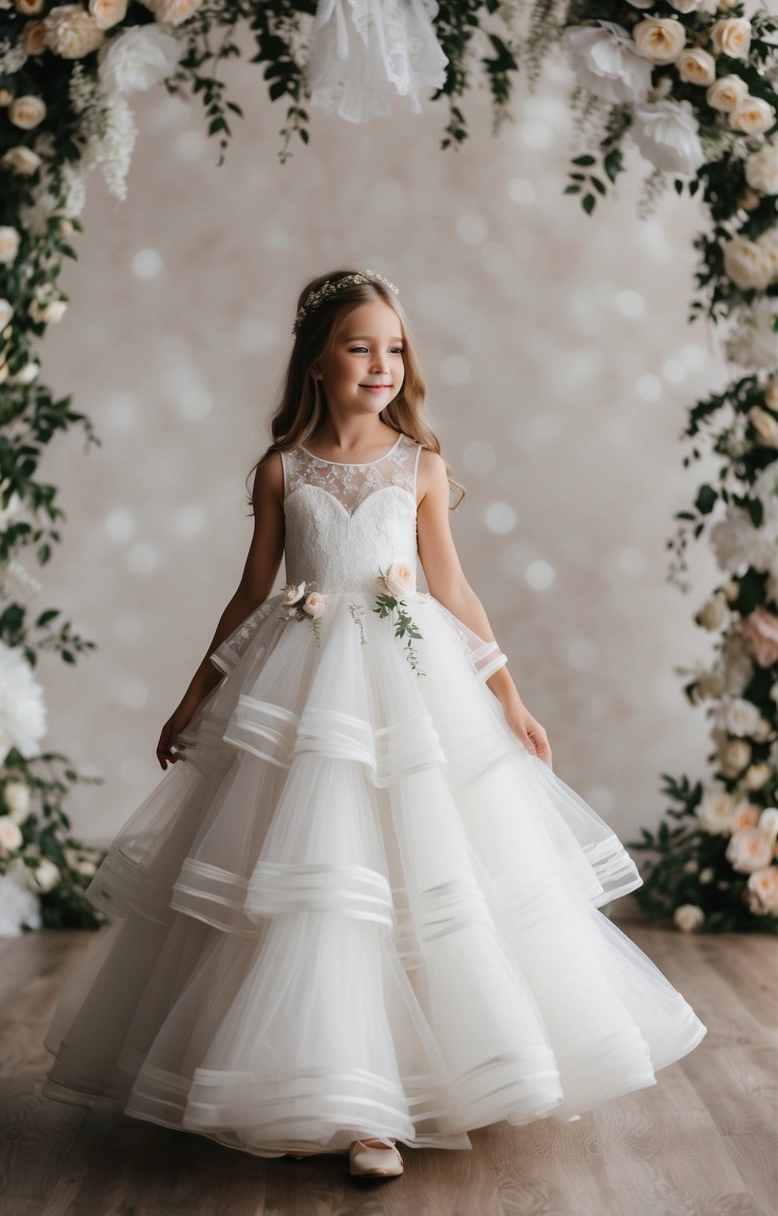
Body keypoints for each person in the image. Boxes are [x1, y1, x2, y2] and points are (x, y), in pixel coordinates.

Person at [43, 268, 707, 1180]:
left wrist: (509, 697)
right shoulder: (282, 470)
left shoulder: (420, 466)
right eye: (360, 346)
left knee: (423, 880)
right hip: (301, 689)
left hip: (409, 686)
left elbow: (453, 588)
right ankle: (338, 1095)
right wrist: (195, 694)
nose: (382, 363)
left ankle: (401, 1096)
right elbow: (252, 591)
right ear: (315, 363)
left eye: (394, 347)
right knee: (316, 893)